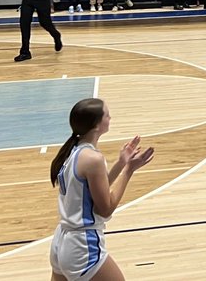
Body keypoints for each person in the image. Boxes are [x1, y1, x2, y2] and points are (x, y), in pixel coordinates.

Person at [49, 98, 155, 281]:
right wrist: (129, 171)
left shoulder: (74, 151)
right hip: (82, 244)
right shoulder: (93, 159)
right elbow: (105, 208)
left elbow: (95, 189)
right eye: (107, 115)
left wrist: (121, 163)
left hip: (62, 241)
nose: (110, 117)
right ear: (97, 124)